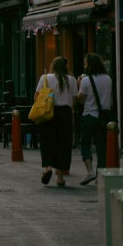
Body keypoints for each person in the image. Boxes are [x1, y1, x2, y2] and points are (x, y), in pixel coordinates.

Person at [36, 56, 77, 187]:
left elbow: (36, 96)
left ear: (53, 66)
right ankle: (59, 177)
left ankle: (47, 168)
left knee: (47, 141)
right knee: (63, 144)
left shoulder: (45, 78)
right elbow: (75, 100)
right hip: (65, 114)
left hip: (48, 113)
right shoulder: (71, 79)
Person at [76, 53, 112, 185]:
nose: (85, 66)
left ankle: (89, 171)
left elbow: (81, 100)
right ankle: (100, 175)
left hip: (90, 115)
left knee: (84, 143)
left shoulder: (86, 80)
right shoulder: (108, 79)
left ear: (90, 65)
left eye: (86, 63)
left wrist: (79, 84)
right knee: (102, 146)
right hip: (104, 118)